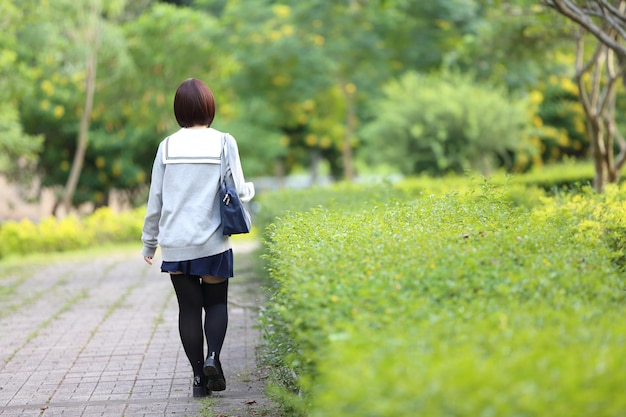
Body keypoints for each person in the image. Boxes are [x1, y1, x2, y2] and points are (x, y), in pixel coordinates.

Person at [141, 78, 255, 397]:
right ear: (209, 107)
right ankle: (213, 358)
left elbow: (156, 199)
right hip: (213, 241)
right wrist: (251, 191)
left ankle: (197, 380)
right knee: (216, 304)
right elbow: (239, 188)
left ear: (179, 110)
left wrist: (150, 243)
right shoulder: (223, 142)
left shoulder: (167, 146)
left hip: (176, 243)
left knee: (188, 310)